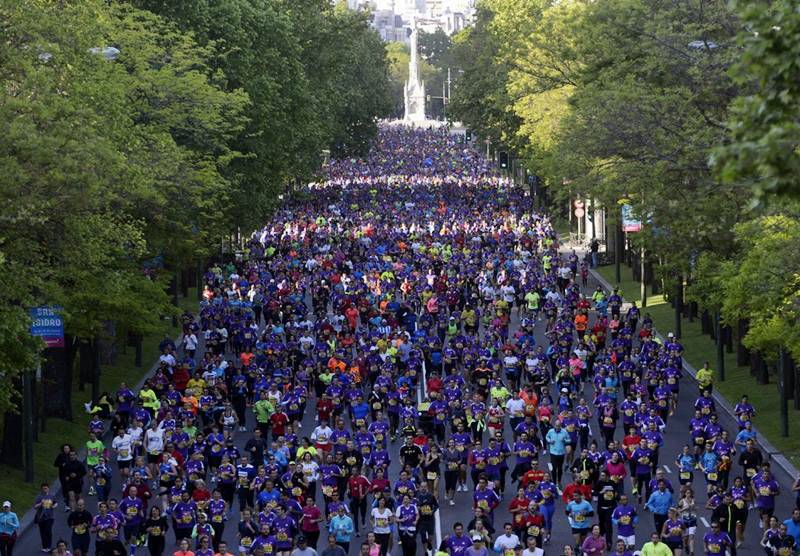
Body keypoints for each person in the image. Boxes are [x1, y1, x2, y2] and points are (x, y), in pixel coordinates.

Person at [34, 483, 57, 553]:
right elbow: (35, 507)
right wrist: (41, 503)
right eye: (43, 488)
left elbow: (55, 502)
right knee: (42, 532)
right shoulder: (39, 497)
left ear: (48, 489)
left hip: (50, 517)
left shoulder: (51, 496)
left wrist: (54, 506)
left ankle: (49, 546)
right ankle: (44, 546)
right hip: (41, 517)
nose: (45, 490)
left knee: (48, 530)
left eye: (46, 488)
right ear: (41, 489)